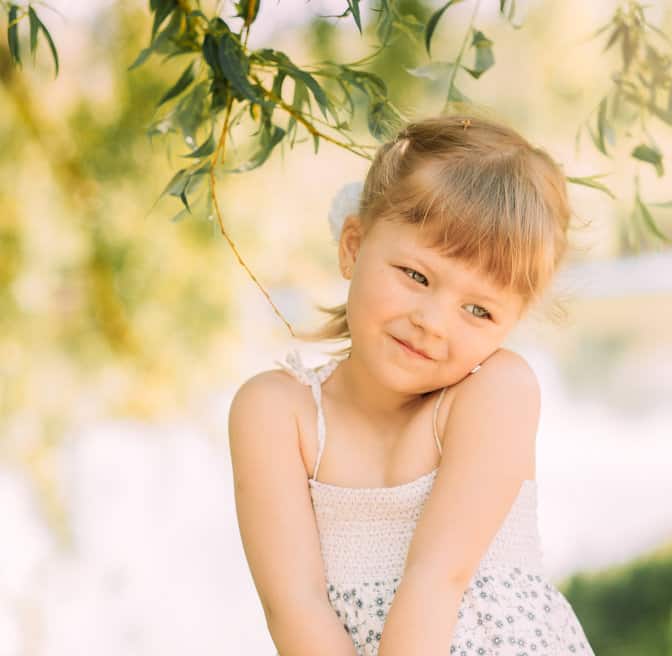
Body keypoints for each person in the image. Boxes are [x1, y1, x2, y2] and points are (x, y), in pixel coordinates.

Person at [228, 113, 596, 656]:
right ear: (353, 246)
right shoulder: (278, 414)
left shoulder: (494, 391)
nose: (434, 322)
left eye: (478, 310)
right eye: (417, 276)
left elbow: (436, 578)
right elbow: (295, 609)